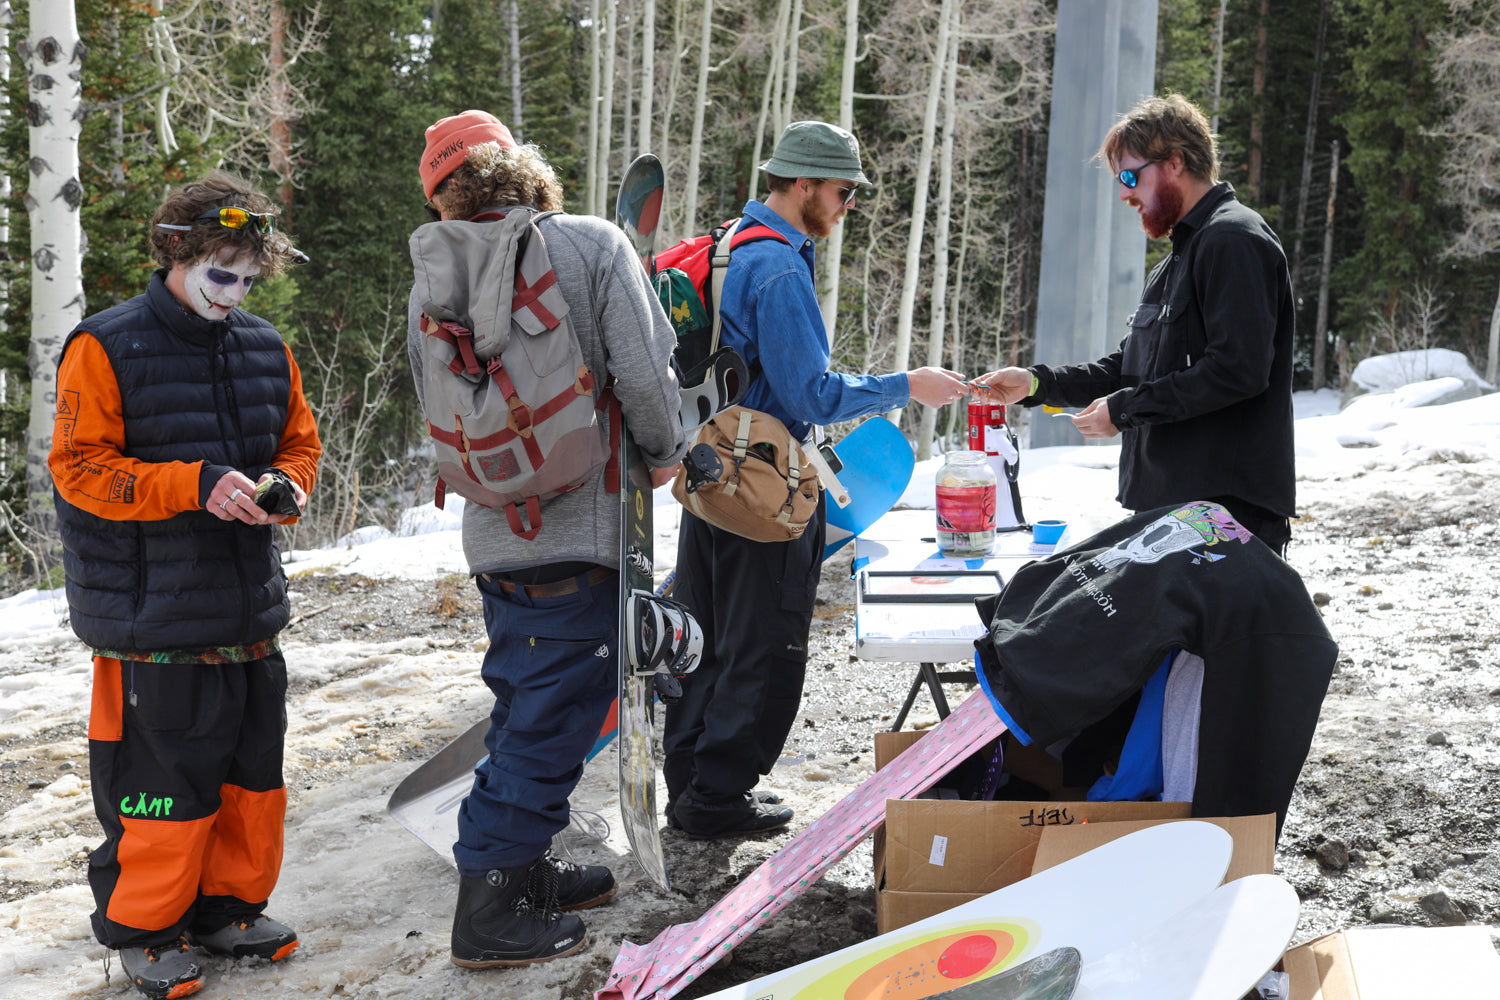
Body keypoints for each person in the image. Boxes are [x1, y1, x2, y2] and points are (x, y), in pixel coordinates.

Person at [408, 110, 686, 968]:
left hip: (495, 534)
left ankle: (523, 869)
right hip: (586, 528)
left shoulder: (434, 276)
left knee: (529, 702)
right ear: (525, 170)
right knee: (550, 718)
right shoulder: (592, 245)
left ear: (446, 194)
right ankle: (489, 903)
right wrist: (671, 451)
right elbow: (642, 373)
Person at [49, 172, 320, 1000]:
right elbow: (79, 470)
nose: (233, 294)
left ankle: (229, 908)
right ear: (177, 253)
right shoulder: (105, 344)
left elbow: (299, 444)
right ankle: (146, 930)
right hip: (150, 619)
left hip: (247, 610)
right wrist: (192, 483)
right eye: (219, 274)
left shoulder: (265, 344)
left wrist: (286, 487)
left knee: (250, 775)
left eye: (246, 276)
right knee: (162, 787)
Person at [662, 120, 970, 839]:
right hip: (762, 486)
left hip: (708, 472)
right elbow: (811, 397)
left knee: (705, 635)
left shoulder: (729, 244)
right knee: (765, 643)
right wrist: (905, 385)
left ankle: (692, 786)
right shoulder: (779, 270)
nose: (848, 205)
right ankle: (720, 796)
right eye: (842, 191)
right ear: (803, 184)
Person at [973, 93, 1296, 556]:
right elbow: (1129, 368)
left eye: (1130, 175)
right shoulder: (1178, 259)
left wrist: (1124, 411)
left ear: (1175, 162)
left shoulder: (1233, 240)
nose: (1124, 193)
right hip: (1175, 511)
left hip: (1224, 515)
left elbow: (1236, 370)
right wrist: (1036, 383)